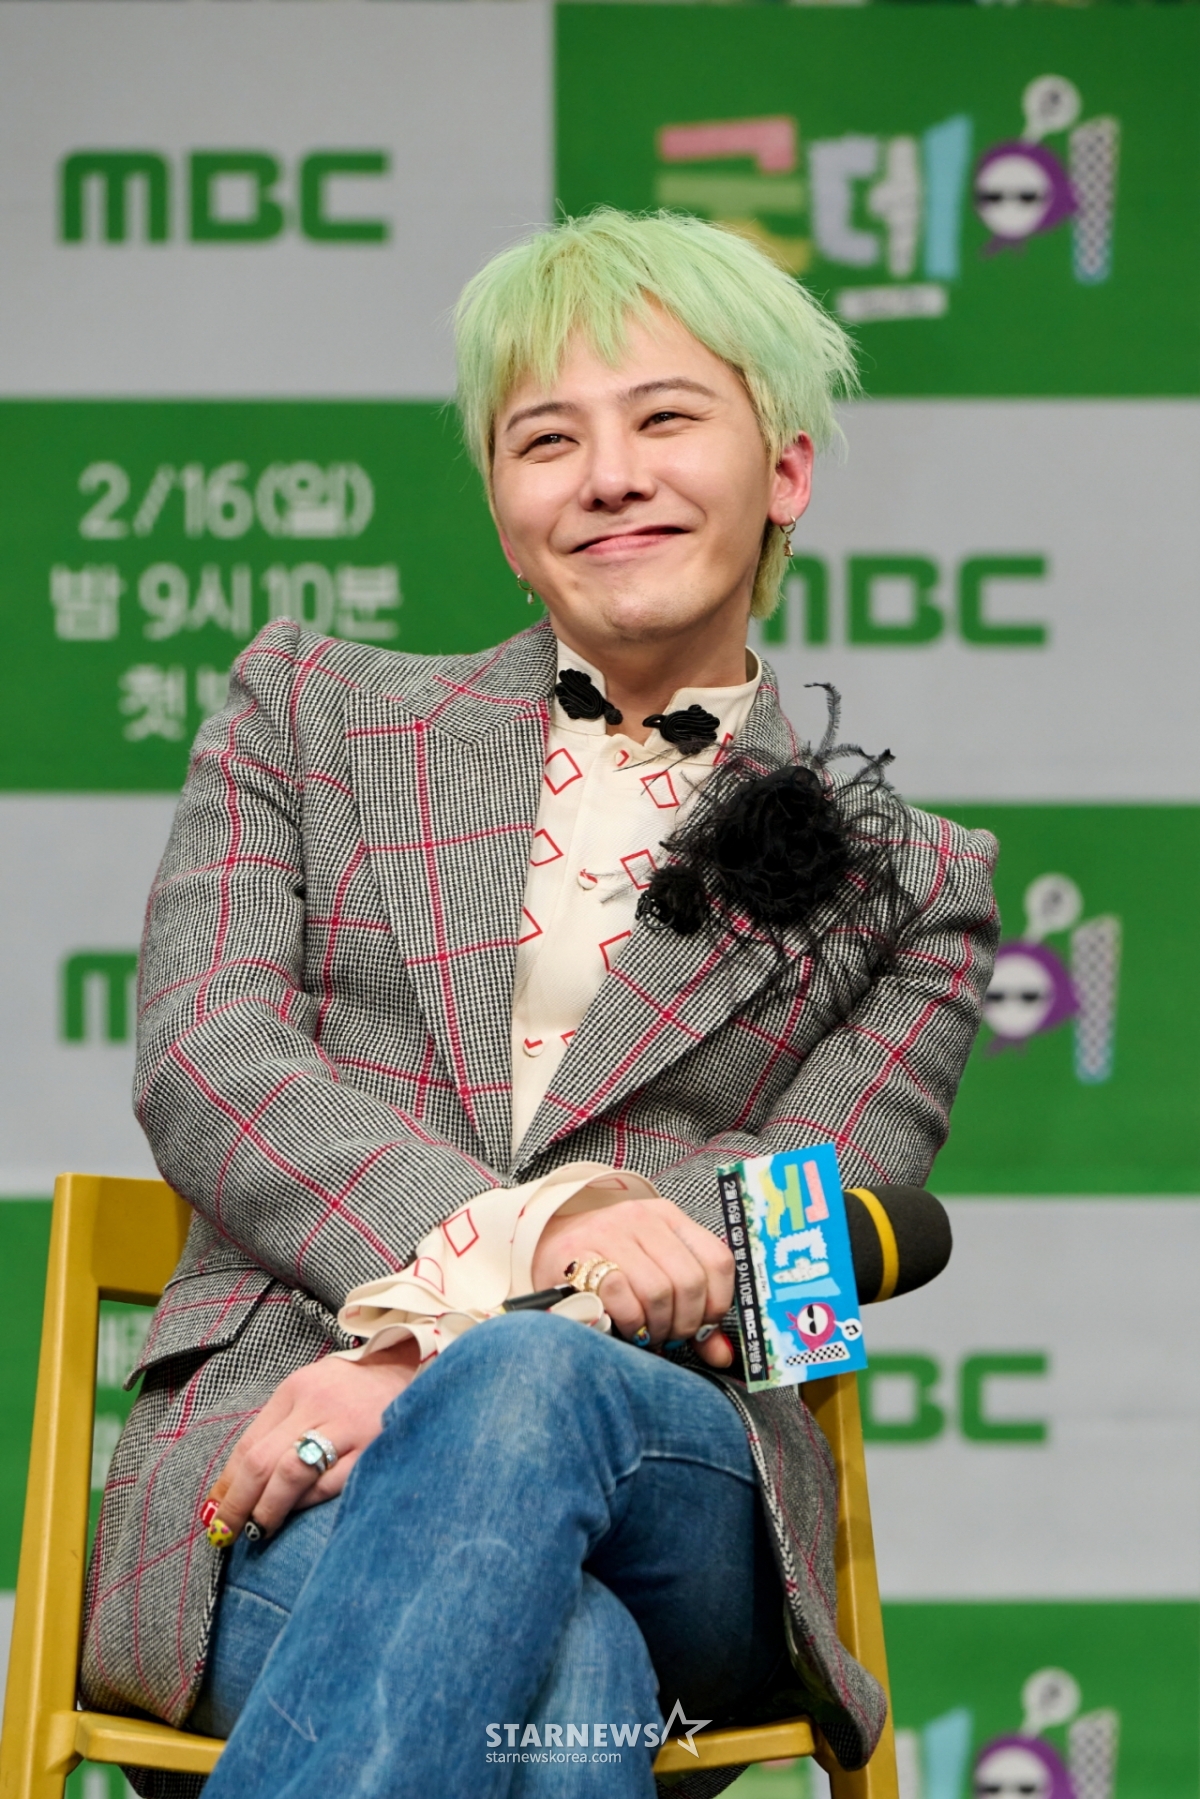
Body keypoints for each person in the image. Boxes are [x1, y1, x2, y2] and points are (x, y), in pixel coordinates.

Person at [81, 208, 998, 1799]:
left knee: (526, 1393)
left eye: (666, 419)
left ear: (784, 471)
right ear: (509, 517)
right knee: (572, 1683)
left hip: (676, 1472)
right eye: (547, 439)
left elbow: (792, 1255)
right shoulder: (310, 715)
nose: (609, 476)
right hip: (277, 1452)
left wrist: (439, 1360)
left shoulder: (911, 882)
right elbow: (210, 1060)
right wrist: (544, 1235)